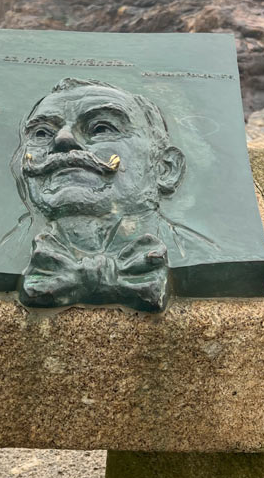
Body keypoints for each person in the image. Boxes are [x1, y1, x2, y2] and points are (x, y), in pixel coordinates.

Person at [11, 77, 203, 311]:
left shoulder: (200, 254)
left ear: (166, 168)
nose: (62, 139)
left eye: (101, 128)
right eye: (41, 133)